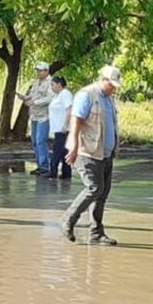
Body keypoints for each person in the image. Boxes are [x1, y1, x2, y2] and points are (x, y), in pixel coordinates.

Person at [60, 64, 122, 246]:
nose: (113, 89)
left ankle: (96, 233)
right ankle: (69, 219)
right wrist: (73, 144)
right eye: (111, 85)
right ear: (102, 79)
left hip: (105, 153)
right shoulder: (87, 95)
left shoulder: (109, 99)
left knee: (102, 193)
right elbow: (76, 120)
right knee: (94, 188)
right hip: (88, 152)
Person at [17, 62, 55, 175]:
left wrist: (35, 102)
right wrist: (24, 97)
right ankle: (39, 165)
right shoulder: (36, 82)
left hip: (44, 116)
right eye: (37, 70)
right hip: (34, 115)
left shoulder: (50, 83)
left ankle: (44, 166)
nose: (38, 72)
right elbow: (32, 95)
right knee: (34, 142)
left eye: (40, 70)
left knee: (40, 141)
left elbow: (50, 98)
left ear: (46, 71)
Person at [47, 76, 74, 179]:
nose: (51, 87)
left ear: (59, 84)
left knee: (57, 150)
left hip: (63, 128)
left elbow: (69, 109)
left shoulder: (65, 94)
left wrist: (65, 125)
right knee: (63, 151)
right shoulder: (56, 96)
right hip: (57, 128)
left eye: (52, 85)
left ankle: (53, 171)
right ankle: (66, 173)